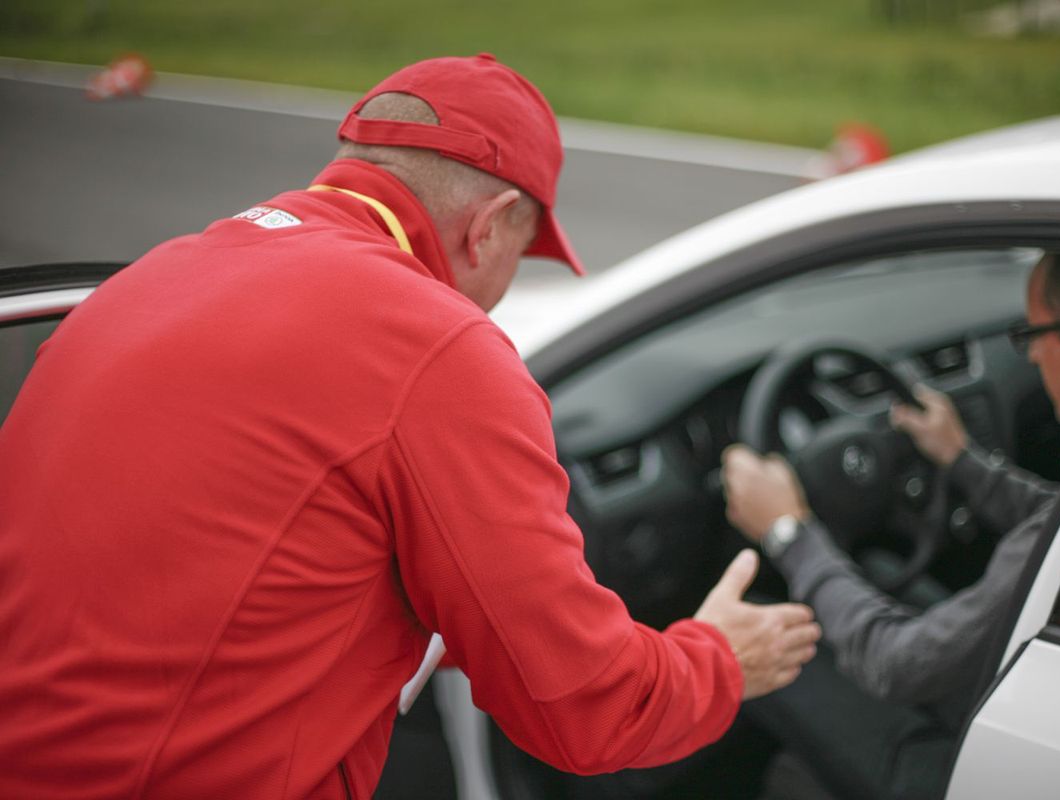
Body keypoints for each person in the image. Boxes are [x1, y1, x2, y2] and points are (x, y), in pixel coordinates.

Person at [0, 54, 821, 799]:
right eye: (521, 255)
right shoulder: (435, 350)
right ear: (489, 223)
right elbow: (584, 710)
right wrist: (719, 659)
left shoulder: (151, 276)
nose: (498, 292)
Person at [721, 252, 1060, 799]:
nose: (1030, 354)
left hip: (1003, 773)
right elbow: (1056, 513)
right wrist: (959, 457)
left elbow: (895, 666)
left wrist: (789, 531)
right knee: (879, 571)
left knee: (754, 641)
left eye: (1031, 335)